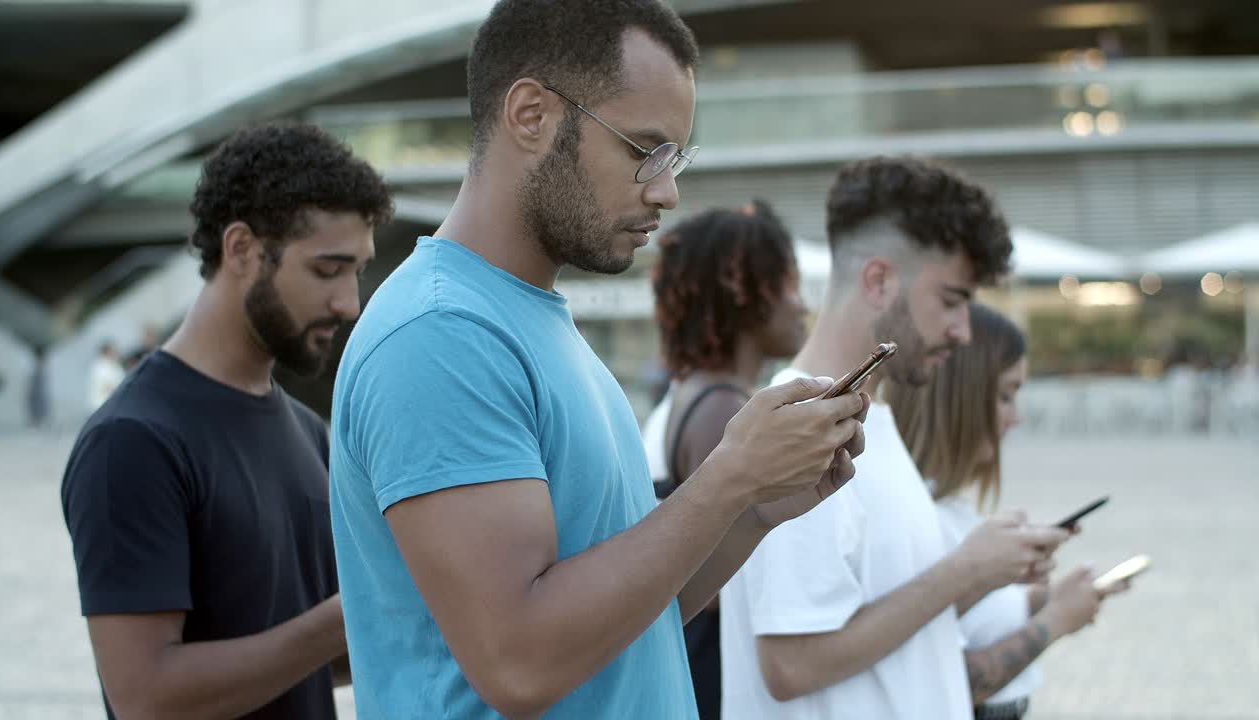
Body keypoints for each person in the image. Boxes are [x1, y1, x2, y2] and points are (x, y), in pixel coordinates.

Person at [327, 2, 868, 718]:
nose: (666, 190)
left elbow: (628, 619)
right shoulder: (440, 333)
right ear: (530, 115)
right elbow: (520, 663)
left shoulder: (531, 318)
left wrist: (752, 506)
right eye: (644, 150)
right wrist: (727, 475)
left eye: (676, 158)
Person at [60, 121, 394, 719]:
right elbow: (145, 697)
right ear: (241, 249)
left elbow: (311, 653)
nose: (350, 303)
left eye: (357, 271)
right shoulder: (131, 441)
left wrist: (421, 603)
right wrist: (348, 615)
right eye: (327, 269)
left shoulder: (304, 428)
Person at [720, 156, 1071, 720]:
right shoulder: (800, 426)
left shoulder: (870, 413)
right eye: (952, 301)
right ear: (878, 280)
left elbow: (891, 619)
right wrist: (966, 570)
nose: (961, 331)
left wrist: (987, 569)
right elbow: (791, 665)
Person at [891, 302, 1129, 720]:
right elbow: (941, 675)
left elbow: (956, 619)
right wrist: (1057, 619)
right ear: (958, 396)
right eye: (1004, 395)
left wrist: (1040, 595)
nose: (1015, 417)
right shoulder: (912, 518)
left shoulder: (948, 506)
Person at [642, 200, 808, 718]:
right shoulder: (723, 410)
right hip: (712, 669)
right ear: (744, 292)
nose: (801, 305)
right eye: (788, 285)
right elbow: (716, 581)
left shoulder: (693, 392)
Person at [87, 341, 124, 410]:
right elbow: (109, 386)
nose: (117, 352)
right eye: (114, 350)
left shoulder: (113, 364)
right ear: (108, 352)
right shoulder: (102, 367)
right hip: (104, 407)